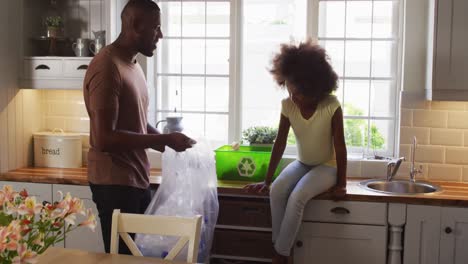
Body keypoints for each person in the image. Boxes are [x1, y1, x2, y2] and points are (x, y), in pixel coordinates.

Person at [83, 0, 195, 254]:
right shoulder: (106, 67)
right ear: (135, 25)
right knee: (124, 259)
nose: (161, 35)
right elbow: (104, 138)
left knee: (141, 258)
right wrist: (165, 138)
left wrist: (163, 140)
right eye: (156, 28)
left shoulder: (132, 65)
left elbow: (136, 120)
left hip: (135, 180)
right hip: (114, 184)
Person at [244, 41, 347, 264]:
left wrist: (342, 184)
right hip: (303, 163)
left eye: (298, 92)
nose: (293, 97)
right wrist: (267, 180)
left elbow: (340, 146)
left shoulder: (331, 105)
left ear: (314, 88)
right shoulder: (287, 106)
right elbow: (279, 143)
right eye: (290, 90)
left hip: (327, 167)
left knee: (298, 196)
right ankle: (282, 249)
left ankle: (280, 256)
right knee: (277, 190)